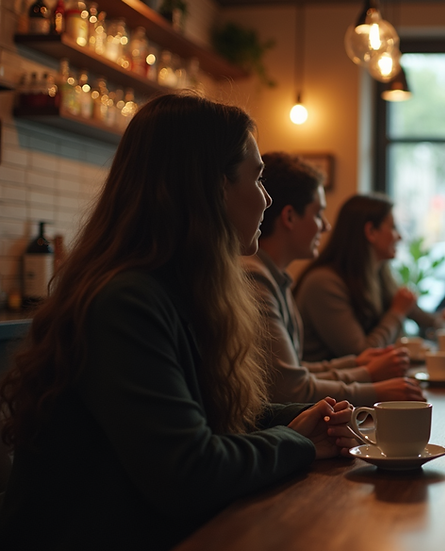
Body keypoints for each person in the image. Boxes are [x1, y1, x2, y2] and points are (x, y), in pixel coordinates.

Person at [0, 94, 358, 550]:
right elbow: (189, 472)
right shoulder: (125, 302)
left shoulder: (177, 290)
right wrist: (297, 441)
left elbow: (209, 414)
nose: (267, 199)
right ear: (209, 187)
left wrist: (307, 418)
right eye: (258, 177)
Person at [243, 152, 424, 406]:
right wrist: (372, 381)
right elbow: (290, 390)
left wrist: (357, 364)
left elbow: (295, 370)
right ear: (290, 217)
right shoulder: (259, 278)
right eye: (318, 214)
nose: (326, 227)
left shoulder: (277, 278)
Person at [294, 194, 440, 361]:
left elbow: (413, 310)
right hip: (333, 384)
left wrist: (444, 321)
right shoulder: (323, 283)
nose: (400, 237)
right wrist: (397, 312)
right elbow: (362, 355)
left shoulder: (379, 274)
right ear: (371, 232)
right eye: (393, 227)